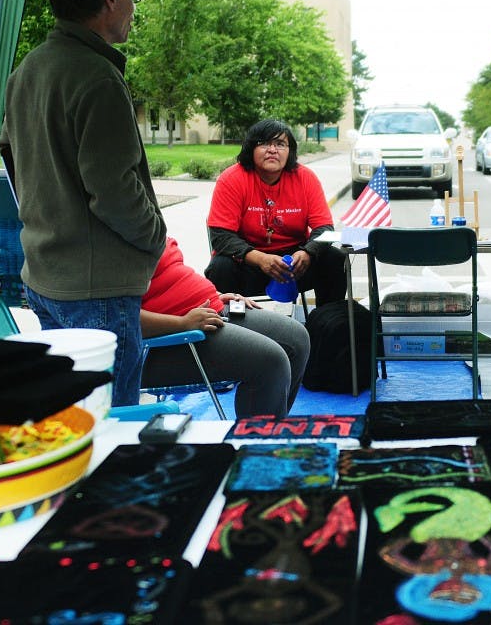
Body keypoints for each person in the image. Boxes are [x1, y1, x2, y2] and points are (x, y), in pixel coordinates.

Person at [0, 0, 166, 407]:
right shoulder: (96, 76)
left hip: (46, 278)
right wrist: (155, 236)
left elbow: (9, 155)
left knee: (74, 421)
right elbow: (113, 192)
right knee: (110, 432)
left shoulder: (26, 71)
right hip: (98, 292)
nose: (134, 5)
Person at [141, 237, 310, 418]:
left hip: (207, 312)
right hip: (170, 338)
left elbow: (172, 275)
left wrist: (215, 296)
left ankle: (271, 431)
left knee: (297, 339)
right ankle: (253, 443)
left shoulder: (143, 225)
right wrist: (183, 323)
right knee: (269, 362)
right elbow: (118, 320)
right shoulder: (114, 248)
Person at [204, 119, 347, 306]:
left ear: (290, 151)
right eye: (264, 143)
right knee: (220, 266)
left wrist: (308, 253)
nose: (273, 150)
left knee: (335, 259)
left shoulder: (305, 178)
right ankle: (234, 327)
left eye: (280, 144)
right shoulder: (231, 179)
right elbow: (221, 236)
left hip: (294, 265)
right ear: (250, 148)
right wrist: (260, 259)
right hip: (248, 260)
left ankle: (325, 325)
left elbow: (324, 227)